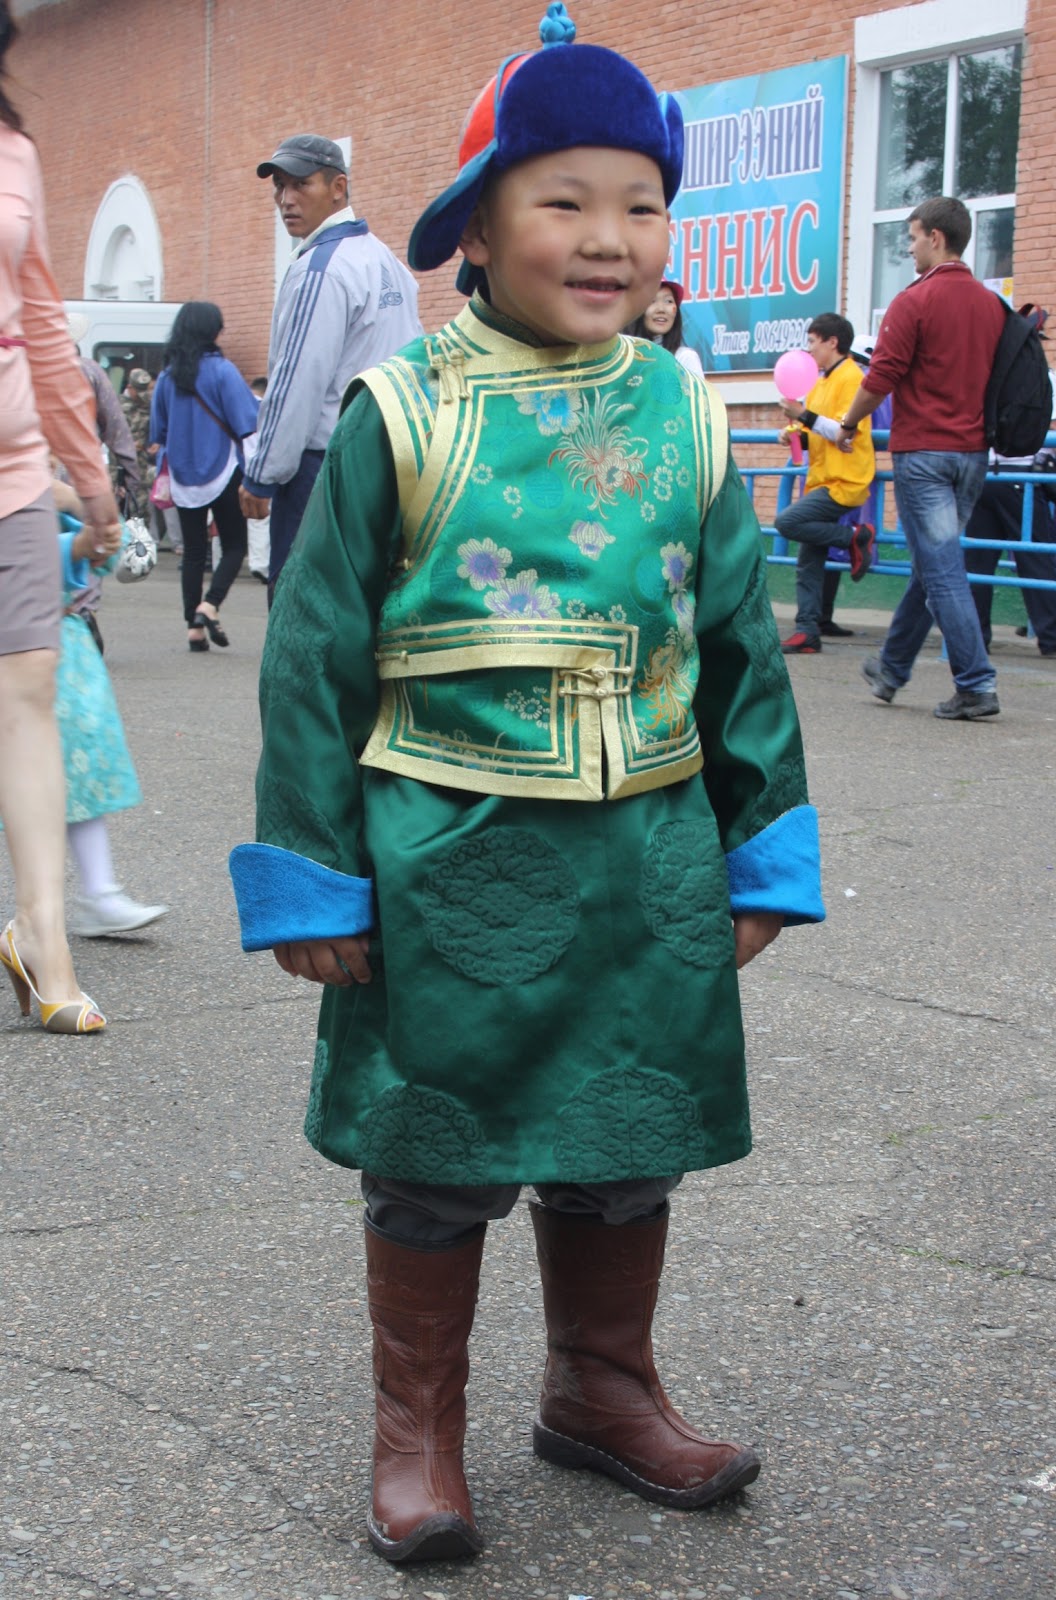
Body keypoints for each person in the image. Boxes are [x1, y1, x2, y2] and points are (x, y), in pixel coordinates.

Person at [230, 3, 824, 1568]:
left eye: (641, 203)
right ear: (476, 230)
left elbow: (737, 645)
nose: (610, 236)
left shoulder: (692, 409)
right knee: (435, 1151)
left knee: (632, 1129)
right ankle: (416, 1433)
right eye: (565, 199)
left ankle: (600, 1388)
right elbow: (312, 662)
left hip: (649, 853)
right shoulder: (404, 411)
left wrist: (758, 853)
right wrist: (317, 875)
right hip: (447, 852)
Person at [0, 0, 118, 1034]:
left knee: (30, 682)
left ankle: (44, 937)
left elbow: (39, 315)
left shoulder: (13, 153)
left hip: (10, 473)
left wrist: (90, 475)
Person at [839, 196, 1006, 719]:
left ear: (936, 237)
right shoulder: (991, 305)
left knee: (943, 570)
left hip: (925, 454)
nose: (909, 248)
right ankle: (891, 668)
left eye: (912, 237)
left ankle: (976, 685)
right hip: (973, 454)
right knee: (934, 563)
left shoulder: (913, 302)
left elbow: (880, 378)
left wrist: (847, 423)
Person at [238, 133, 422, 603]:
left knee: (302, 615)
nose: (286, 199)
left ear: (338, 188)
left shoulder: (320, 269)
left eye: (300, 184)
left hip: (322, 471)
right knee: (364, 610)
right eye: (279, 187)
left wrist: (262, 472)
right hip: (388, 463)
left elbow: (295, 381)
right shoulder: (385, 261)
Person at [46, 485, 168, 935]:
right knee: (32, 778)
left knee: (78, 768)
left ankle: (99, 892)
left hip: (61, 638)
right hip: (25, 641)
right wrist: (73, 540)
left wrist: (92, 534)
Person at [150, 302, 259, 651]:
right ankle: (209, 606)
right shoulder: (223, 371)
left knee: (193, 552)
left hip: (183, 472)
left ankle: (192, 630)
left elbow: (159, 431)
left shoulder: (167, 377)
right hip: (223, 469)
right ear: (212, 331)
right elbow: (248, 423)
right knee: (235, 545)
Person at [773, 313, 876, 653]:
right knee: (809, 559)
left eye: (813, 342)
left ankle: (854, 537)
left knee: (786, 522)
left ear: (833, 342)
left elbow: (842, 430)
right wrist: (791, 432)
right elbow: (815, 429)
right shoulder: (819, 382)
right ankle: (808, 630)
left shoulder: (851, 378)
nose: (809, 350)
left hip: (844, 479)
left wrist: (802, 415)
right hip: (821, 479)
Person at [964, 334, 1056, 657]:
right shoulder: (1039, 375)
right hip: (1021, 477)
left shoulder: (981, 372)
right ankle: (1051, 639)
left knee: (978, 562)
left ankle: (977, 638)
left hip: (981, 475)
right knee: (1035, 559)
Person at [66, 313, 142, 515]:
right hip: (85, 478)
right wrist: (129, 480)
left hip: (35, 479)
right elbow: (117, 429)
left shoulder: (25, 369)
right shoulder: (90, 371)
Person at [624, 278, 703, 377]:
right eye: (652, 301)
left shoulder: (684, 358)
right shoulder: (621, 360)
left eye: (668, 301)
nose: (661, 309)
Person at [243, 376, 270, 583]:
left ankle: (219, 562)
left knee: (221, 523)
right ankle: (260, 564)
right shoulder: (266, 408)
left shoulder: (237, 404)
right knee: (259, 518)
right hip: (256, 466)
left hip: (231, 465)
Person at [119, 367, 156, 520]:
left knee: (141, 510)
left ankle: (139, 543)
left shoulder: (148, 404)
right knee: (123, 510)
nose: (142, 396)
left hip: (142, 465)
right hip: (122, 466)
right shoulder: (116, 407)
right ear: (129, 387)